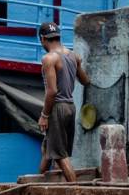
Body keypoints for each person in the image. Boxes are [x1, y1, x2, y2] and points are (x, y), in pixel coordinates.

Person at [37, 21, 90, 182]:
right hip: (70, 107)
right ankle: (37, 183)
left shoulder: (49, 59)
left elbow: (52, 91)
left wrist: (44, 115)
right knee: (49, 149)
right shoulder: (73, 56)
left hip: (57, 108)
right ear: (58, 37)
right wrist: (79, 64)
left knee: (59, 154)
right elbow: (85, 81)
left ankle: (76, 193)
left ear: (43, 39)